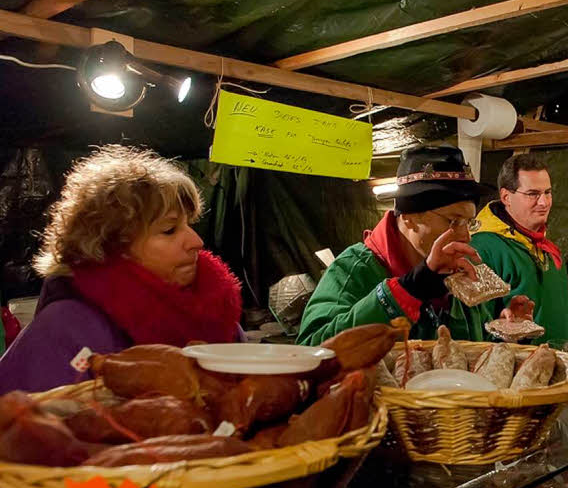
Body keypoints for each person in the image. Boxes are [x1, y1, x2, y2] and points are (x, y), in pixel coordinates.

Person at [0, 145, 242, 394]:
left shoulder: (213, 310)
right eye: (169, 230)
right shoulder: (63, 328)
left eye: (190, 224)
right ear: (112, 245)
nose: (197, 242)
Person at [298, 146, 493, 345]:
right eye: (453, 221)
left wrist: (505, 329)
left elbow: (479, 340)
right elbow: (310, 348)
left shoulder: (455, 271)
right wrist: (409, 289)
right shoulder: (354, 269)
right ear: (408, 217)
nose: (466, 236)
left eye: (469, 223)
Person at [471, 154, 568, 343]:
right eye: (533, 194)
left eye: (547, 192)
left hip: (557, 364)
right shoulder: (482, 250)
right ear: (506, 197)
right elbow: (472, 333)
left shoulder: (546, 248)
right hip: (517, 369)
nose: (544, 202)